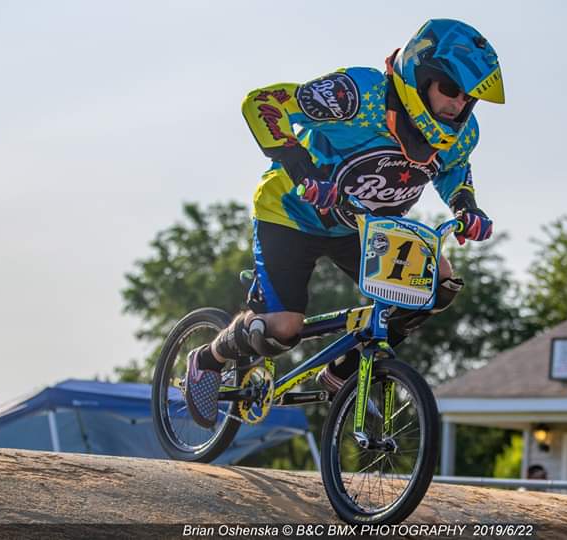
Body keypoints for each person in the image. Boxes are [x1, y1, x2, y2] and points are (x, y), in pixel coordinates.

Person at [184, 19, 504, 428]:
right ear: (421, 74)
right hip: (292, 214)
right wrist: (303, 171)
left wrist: (465, 206)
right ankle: (208, 360)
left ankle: (342, 372)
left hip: (364, 226)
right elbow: (264, 104)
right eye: (450, 88)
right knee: (281, 331)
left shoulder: (462, 134)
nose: (458, 104)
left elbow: (453, 169)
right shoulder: (356, 95)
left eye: (469, 97)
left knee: (435, 286)